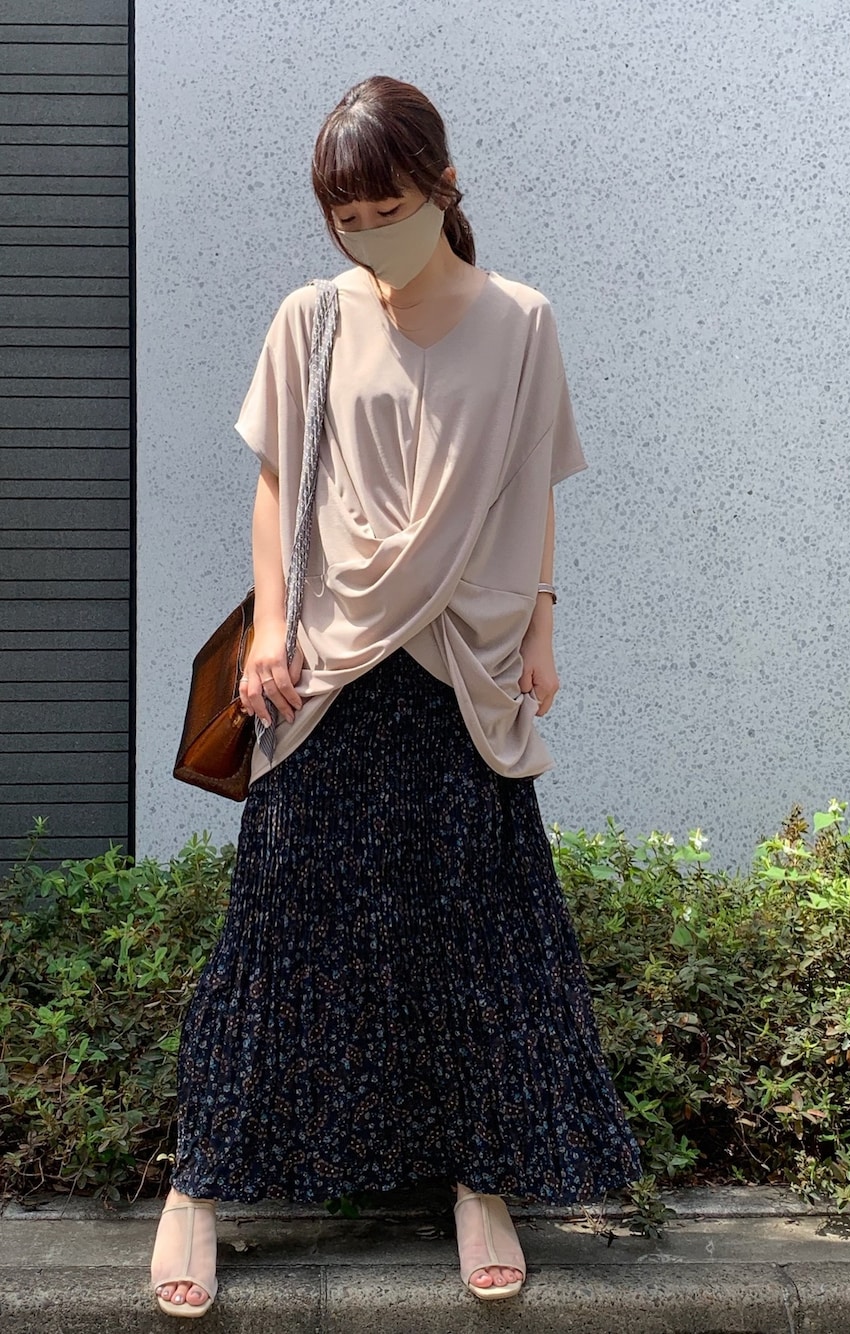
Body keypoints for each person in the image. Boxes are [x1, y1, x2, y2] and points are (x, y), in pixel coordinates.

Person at [150, 74, 642, 1317]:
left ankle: (481, 1182)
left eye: (390, 208)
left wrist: (541, 623)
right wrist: (270, 625)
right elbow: (277, 483)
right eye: (347, 217)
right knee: (278, 926)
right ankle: (197, 1185)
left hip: (465, 659)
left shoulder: (522, 321)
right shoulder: (310, 319)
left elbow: (532, 486)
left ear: (443, 186)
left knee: (476, 929)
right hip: (329, 659)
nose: (369, 234)